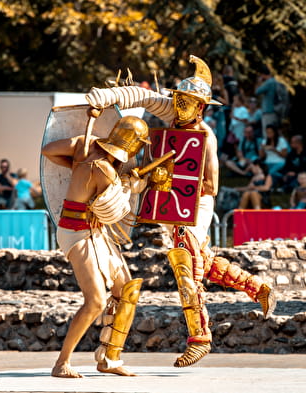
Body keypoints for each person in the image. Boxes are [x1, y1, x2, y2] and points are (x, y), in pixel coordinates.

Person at [86, 55, 276, 368]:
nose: (180, 105)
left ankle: (200, 337)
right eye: (178, 99)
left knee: (185, 262)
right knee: (203, 260)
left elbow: (210, 185)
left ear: (201, 106)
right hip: (174, 203)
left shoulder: (207, 137)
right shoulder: (169, 120)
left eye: (187, 101)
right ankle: (258, 288)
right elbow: (144, 98)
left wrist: (175, 188)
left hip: (196, 203)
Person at [41, 115, 149, 378]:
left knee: (126, 290)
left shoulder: (83, 145)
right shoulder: (105, 170)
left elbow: (50, 151)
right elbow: (116, 210)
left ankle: (109, 359)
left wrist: (75, 163)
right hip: (77, 233)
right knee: (96, 302)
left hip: (94, 231)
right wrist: (133, 185)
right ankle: (61, 363)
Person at [255, 66, 279, 136]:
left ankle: (268, 146)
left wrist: (258, 83)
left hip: (268, 112)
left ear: (263, 74)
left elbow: (257, 92)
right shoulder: (275, 82)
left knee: (267, 134)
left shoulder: (268, 83)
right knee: (274, 133)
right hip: (275, 111)